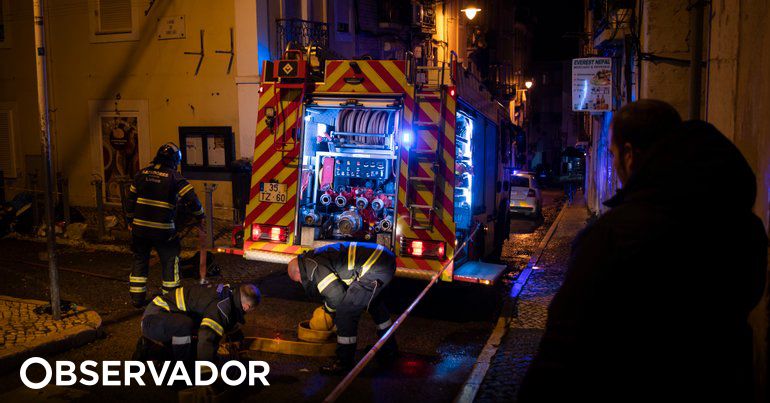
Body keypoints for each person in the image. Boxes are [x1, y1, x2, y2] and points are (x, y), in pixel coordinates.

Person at [519, 100, 767, 402]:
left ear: (629, 154)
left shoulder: (612, 237)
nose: (615, 165)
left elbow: (561, 354)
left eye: (612, 155)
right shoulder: (741, 225)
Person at [287, 242, 398, 375]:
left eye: (298, 280)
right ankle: (389, 348)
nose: (301, 282)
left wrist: (327, 311)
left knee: (346, 311)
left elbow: (336, 297)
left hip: (375, 266)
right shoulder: (313, 258)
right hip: (381, 260)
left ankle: (344, 363)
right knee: (375, 305)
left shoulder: (312, 267)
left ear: (298, 271)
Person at [125, 143, 205, 307]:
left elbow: (130, 201)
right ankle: (170, 299)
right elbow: (191, 199)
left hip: (139, 229)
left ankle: (137, 299)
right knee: (170, 261)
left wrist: (129, 221)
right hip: (163, 231)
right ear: (175, 160)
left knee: (140, 259)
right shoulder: (174, 177)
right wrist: (200, 216)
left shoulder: (140, 174)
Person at [134, 283, 260, 362]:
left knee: (192, 345)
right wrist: (206, 374)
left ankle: (155, 350)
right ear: (246, 307)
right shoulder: (222, 307)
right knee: (186, 330)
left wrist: (237, 339)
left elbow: (229, 322)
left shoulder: (230, 295)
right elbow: (207, 337)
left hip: (166, 319)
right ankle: (180, 371)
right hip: (153, 319)